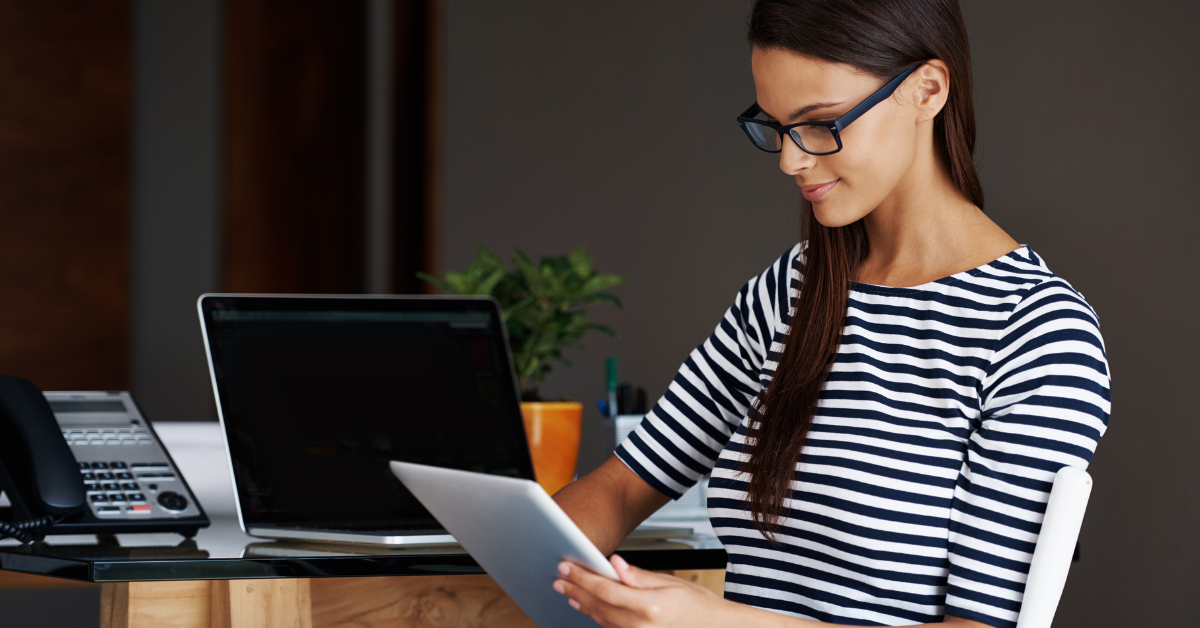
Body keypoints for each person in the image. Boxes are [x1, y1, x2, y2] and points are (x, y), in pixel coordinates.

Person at [550, 0, 1111, 626]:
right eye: (777, 127)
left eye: (821, 123)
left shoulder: (1036, 334)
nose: (792, 160)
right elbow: (624, 483)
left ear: (927, 90)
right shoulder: (790, 290)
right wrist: (534, 549)